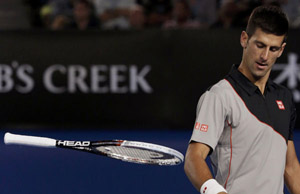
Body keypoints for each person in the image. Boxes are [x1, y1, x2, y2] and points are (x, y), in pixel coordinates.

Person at [184, 5, 300, 194]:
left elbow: (290, 166)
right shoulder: (219, 95)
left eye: (273, 49)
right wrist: (215, 191)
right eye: (260, 45)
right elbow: (193, 157)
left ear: (281, 50)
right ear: (244, 39)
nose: (264, 56)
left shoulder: (284, 98)